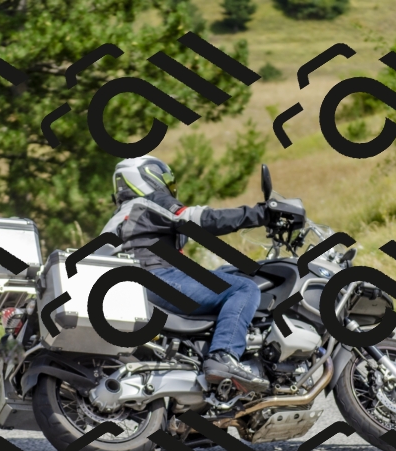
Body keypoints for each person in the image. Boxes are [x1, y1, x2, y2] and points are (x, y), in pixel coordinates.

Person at [100, 155, 271, 392]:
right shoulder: (151, 202)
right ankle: (224, 356)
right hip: (152, 277)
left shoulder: (123, 215)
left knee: (224, 273)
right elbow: (204, 220)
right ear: (147, 178)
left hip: (128, 283)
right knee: (244, 288)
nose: (170, 186)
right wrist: (263, 214)